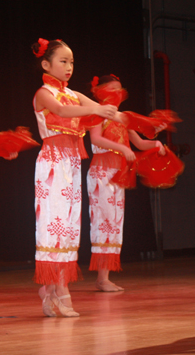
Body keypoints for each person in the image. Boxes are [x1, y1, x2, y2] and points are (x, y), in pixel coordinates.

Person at [31, 38, 118, 317]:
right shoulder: (44, 93)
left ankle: (58, 287)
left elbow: (101, 110)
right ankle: (54, 289)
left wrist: (120, 114)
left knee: (69, 226)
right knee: (53, 223)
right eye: (63, 61)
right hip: (53, 161)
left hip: (71, 162)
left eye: (71, 62)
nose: (69, 67)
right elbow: (62, 111)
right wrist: (95, 109)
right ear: (46, 64)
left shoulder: (74, 93)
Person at [86, 75, 165, 292]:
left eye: (119, 89)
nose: (117, 93)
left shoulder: (123, 117)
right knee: (104, 221)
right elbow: (95, 139)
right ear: (100, 91)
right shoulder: (97, 113)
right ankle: (101, 278)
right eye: (112, 89)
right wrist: (122, 149)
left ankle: (105, 276)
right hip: (101, 172)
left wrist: (156, 143)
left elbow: (139, 142)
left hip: (118, 174)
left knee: (114, 223)